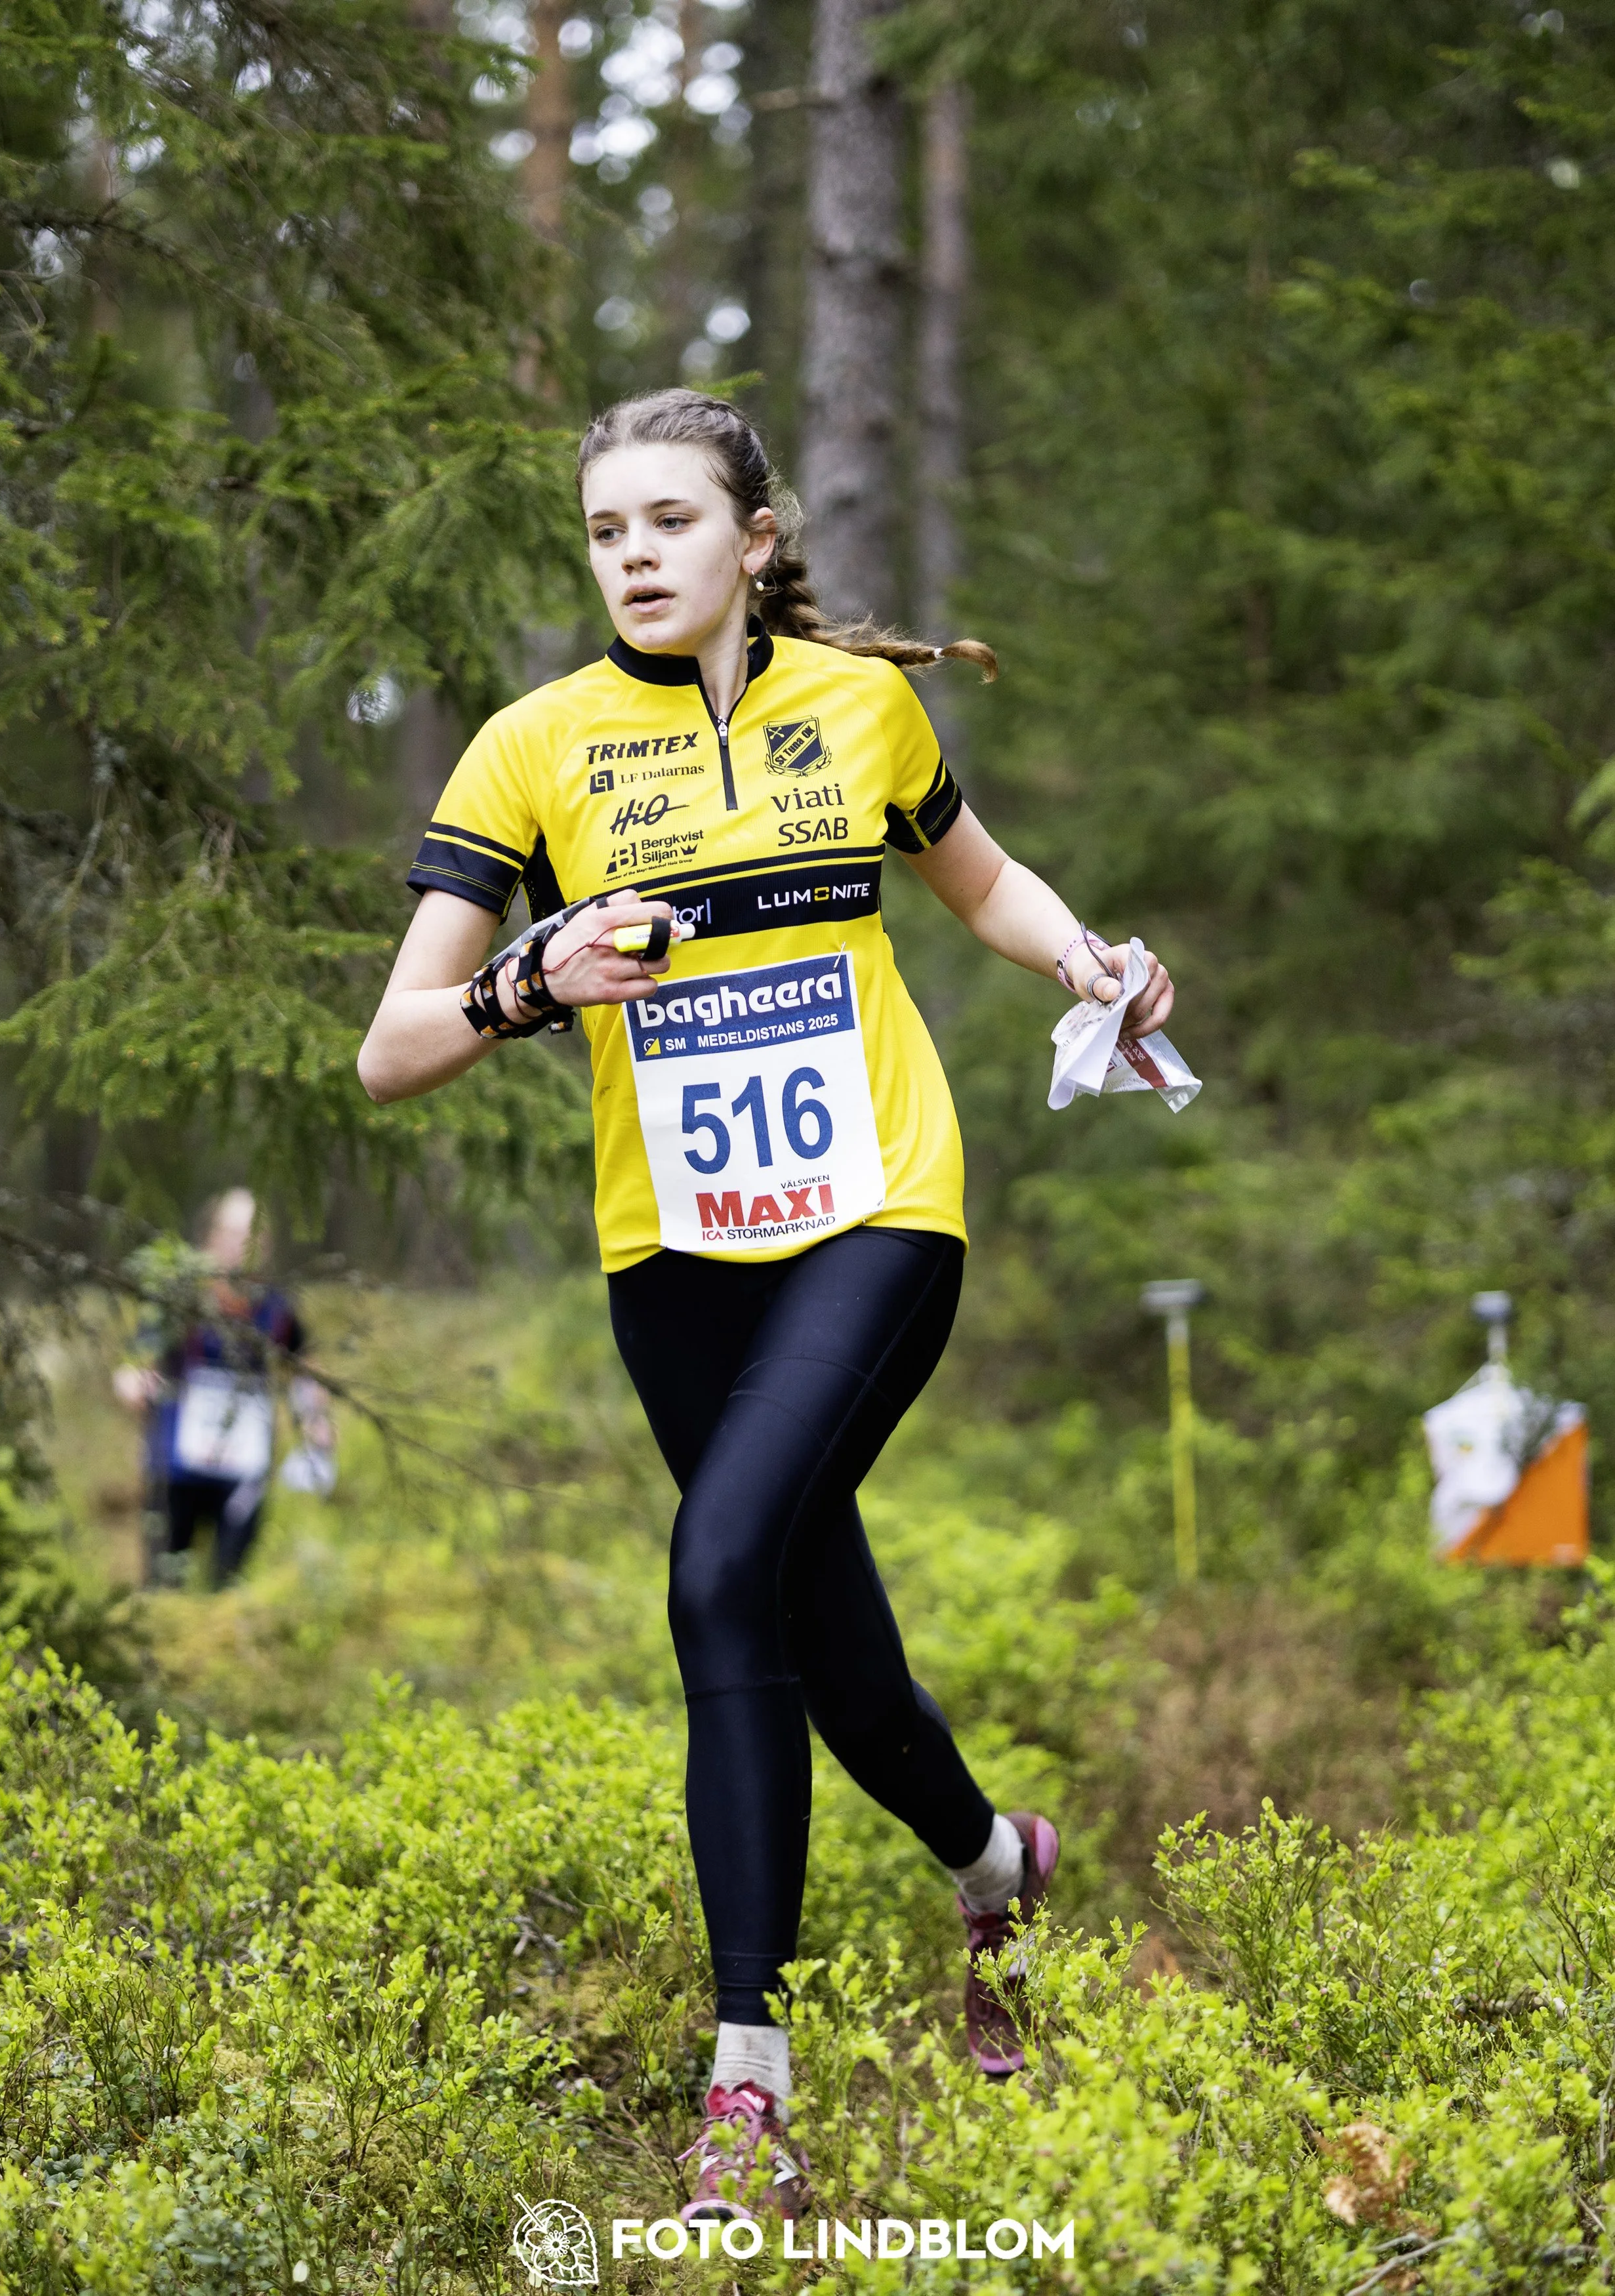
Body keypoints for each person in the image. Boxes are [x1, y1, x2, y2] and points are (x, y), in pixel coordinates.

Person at [358, 388, 1174, 2219]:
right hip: (675, 1256)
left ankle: (751, 2088)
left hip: (878, 1201)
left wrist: (1090, 959)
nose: (632, 556)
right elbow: (388, 1048)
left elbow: (977, 881)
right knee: (820, 1623)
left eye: (665, 521)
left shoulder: (862, 707)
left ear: (752, 535)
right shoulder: (531, 748)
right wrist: (527, 980)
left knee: (721, 1568)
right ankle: (991, 1860)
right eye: (601, 533)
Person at [113, 1187, 335, 1587]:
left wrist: (317, 1421)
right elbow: (137, 1360)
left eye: (253, 1237)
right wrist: (132, 1383)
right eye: (232, 1234)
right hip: (175, 1469)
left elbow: (305, 1369)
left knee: (229, 1584)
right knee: (163, 1583)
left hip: (243, 1473)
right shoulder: (181, 1301)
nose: (241, 1247)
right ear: (211, 1237)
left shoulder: (278, 1312)